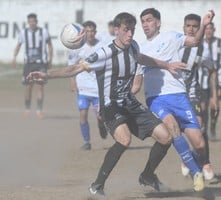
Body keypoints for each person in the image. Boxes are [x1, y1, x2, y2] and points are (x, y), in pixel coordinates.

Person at [27, 12, 186, 197]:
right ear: (116, 30)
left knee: (166, 137)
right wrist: (47, 74)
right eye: (126, 30)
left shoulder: (133, 46)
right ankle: (97, 185)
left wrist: (166, 65)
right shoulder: (104, 53)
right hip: (110, 107)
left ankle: (147, 175)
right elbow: (75, 68)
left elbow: (142, 59)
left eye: (132, 30)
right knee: (125, 140)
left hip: (129, 103)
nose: (130, 35)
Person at [132, 8, 215, 190]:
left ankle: (193, 164)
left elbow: (195, 41)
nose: (146, 24)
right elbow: (137, 84)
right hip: (156, 99)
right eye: (143, 21)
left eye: (149, 20)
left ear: (158, 22)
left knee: (199, 144)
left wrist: (204, 25)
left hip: (179, 96)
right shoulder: (139, 50)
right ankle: (196, 173)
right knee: (173, 128)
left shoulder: (170, 37)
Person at [178, 14, 218, 180]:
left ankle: (202, 162)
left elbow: (212, 69)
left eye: (195, 26)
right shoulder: (175, 44)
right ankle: (187, 158)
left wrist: (214, 96)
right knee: (175, 132)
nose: (192, 29)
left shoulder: (202, 49)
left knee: (199, 129)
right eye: (188, 26)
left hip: (193, 94)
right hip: (174, 95)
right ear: (184, 27)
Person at [68, 20, 108, 150]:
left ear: (95, 32)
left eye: (92, 31)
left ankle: (101, 125)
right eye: (87, 31)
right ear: (83, 32)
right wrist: (72, 81)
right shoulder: (78, 47)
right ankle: (87, 142)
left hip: (97, 89)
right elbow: (71, 66)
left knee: (100, 116)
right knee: (83, 114)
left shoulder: (102, 46)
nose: (90, 34)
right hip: (83, 88)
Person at [12, 13, 53, 119]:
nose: (32, 23)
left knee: (40, 86)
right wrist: (14, 57)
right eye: (30, 21)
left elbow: (50, 46)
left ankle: (39, 110)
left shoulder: (44, 32)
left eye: (33, 21)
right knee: (28, 86)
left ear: (36, 22)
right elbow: (18, 45)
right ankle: (27, 109)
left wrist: (50, 59)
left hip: (41, 63)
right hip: (28, 64)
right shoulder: (23, 33)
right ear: (28, 22)